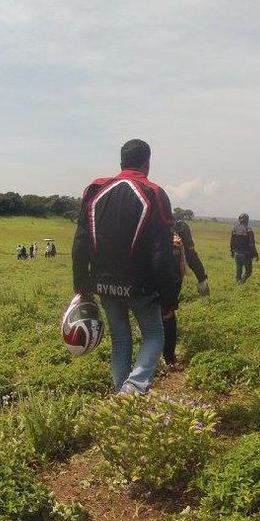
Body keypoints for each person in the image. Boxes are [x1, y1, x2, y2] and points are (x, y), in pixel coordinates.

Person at [72, 138, 177, 394]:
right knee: (154, 336)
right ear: (147, 163)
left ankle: (122, 399)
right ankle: (132, 388)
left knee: (121, 340)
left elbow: (80, 242)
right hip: (141, 286)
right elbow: (162, 253)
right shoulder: (153, 193)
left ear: (121, 162)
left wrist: (82, 287)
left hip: (103, 284)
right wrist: (169, 299)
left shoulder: (95, 190)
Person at [163, 216, 210, 368]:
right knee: (168, 315)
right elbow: (191, 254)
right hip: (170, 278)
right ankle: (168, 358)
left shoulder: (148, 222)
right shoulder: (180, 227)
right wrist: (201, 277)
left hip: (143, 276)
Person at [229, 213, 258, 284]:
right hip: (246, 254)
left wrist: (232, 252)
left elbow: (231, 242)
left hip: (236, 253)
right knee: (248, 271)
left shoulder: (234, 229)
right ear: (247, 220)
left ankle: (237, 284)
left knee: (238, 271)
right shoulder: (248, 229)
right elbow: (252, 244)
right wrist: (255, 254)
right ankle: (240, 284)